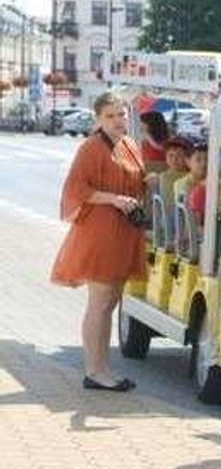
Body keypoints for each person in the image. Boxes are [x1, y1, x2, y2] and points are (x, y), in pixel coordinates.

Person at [50, 92, 147, 392]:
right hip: (101, 231)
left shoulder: (128, 145)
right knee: (101, 301)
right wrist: (114, 199)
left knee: (111, 300)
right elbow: (77, 188)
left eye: (121, 114)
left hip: (123, 231)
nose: (119, 120)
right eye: (111, 115)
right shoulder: (91, 148)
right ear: (98, 119)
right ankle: (95, 371)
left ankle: (102, 368)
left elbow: (135, 179)